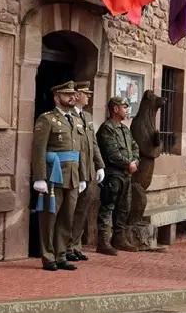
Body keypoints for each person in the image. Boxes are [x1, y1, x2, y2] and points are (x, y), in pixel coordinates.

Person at [31, 81, 87, 271]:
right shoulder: (47, 119)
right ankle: (48, 257)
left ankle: (61, 255)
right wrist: (39, 177)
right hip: (53, 176)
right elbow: (39, 149)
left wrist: (82, 176)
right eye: (67, 94)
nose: (72, 97)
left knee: (67, 218)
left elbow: (81, 151)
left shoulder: (77, 120)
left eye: (73, 94)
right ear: (57, 98)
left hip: (72, 175)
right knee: (50, 218)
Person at [66, 81, 105, 262]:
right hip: (75, 169)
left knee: (82, 210)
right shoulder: (69, 115)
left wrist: (100, 165)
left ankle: (75, 245)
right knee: (70, 210)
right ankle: (64, 247)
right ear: (77, 95)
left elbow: (93, 143)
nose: (88, 96)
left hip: (88, 169)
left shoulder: (87, 116)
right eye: (85, 93)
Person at [95, 96, 139, 254]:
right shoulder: (107, 128)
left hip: (127, 174)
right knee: (108, 207)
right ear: (115, 109)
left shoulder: (124, 129)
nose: (126, 110)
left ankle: (119, 238)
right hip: (113, 174)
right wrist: (128, 163)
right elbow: (111, 153)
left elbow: (135, 147)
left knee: (124, 207)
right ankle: (103, 241)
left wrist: (134, 162)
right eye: (124, 107)